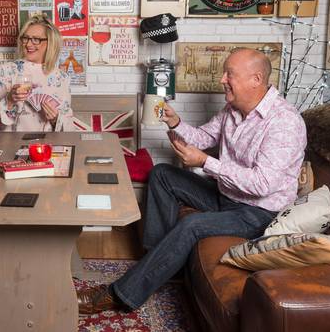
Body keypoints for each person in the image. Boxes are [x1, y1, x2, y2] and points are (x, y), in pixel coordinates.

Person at [77, 48, 307, 314]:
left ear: (255, 79)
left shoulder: (285, 122)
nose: (222, 79)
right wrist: (176, 123)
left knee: (193, 224)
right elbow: (202, 139)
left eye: (229, 74)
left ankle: (119, 295)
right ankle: (159, 261)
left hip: (260, 213)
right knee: (162, 174)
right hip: (227, 196)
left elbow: (262, 184)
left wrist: (205, 162)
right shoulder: (233, 109)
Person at [0, 14, 74, 132]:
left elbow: (69, 129)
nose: (28, 44)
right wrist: (9, 100)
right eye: (25, 38)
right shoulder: (6, 71)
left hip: (47, 145)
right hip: (10, 144)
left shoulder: (61, 77)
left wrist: (55, 119)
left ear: (50, 43)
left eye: (36, 39)